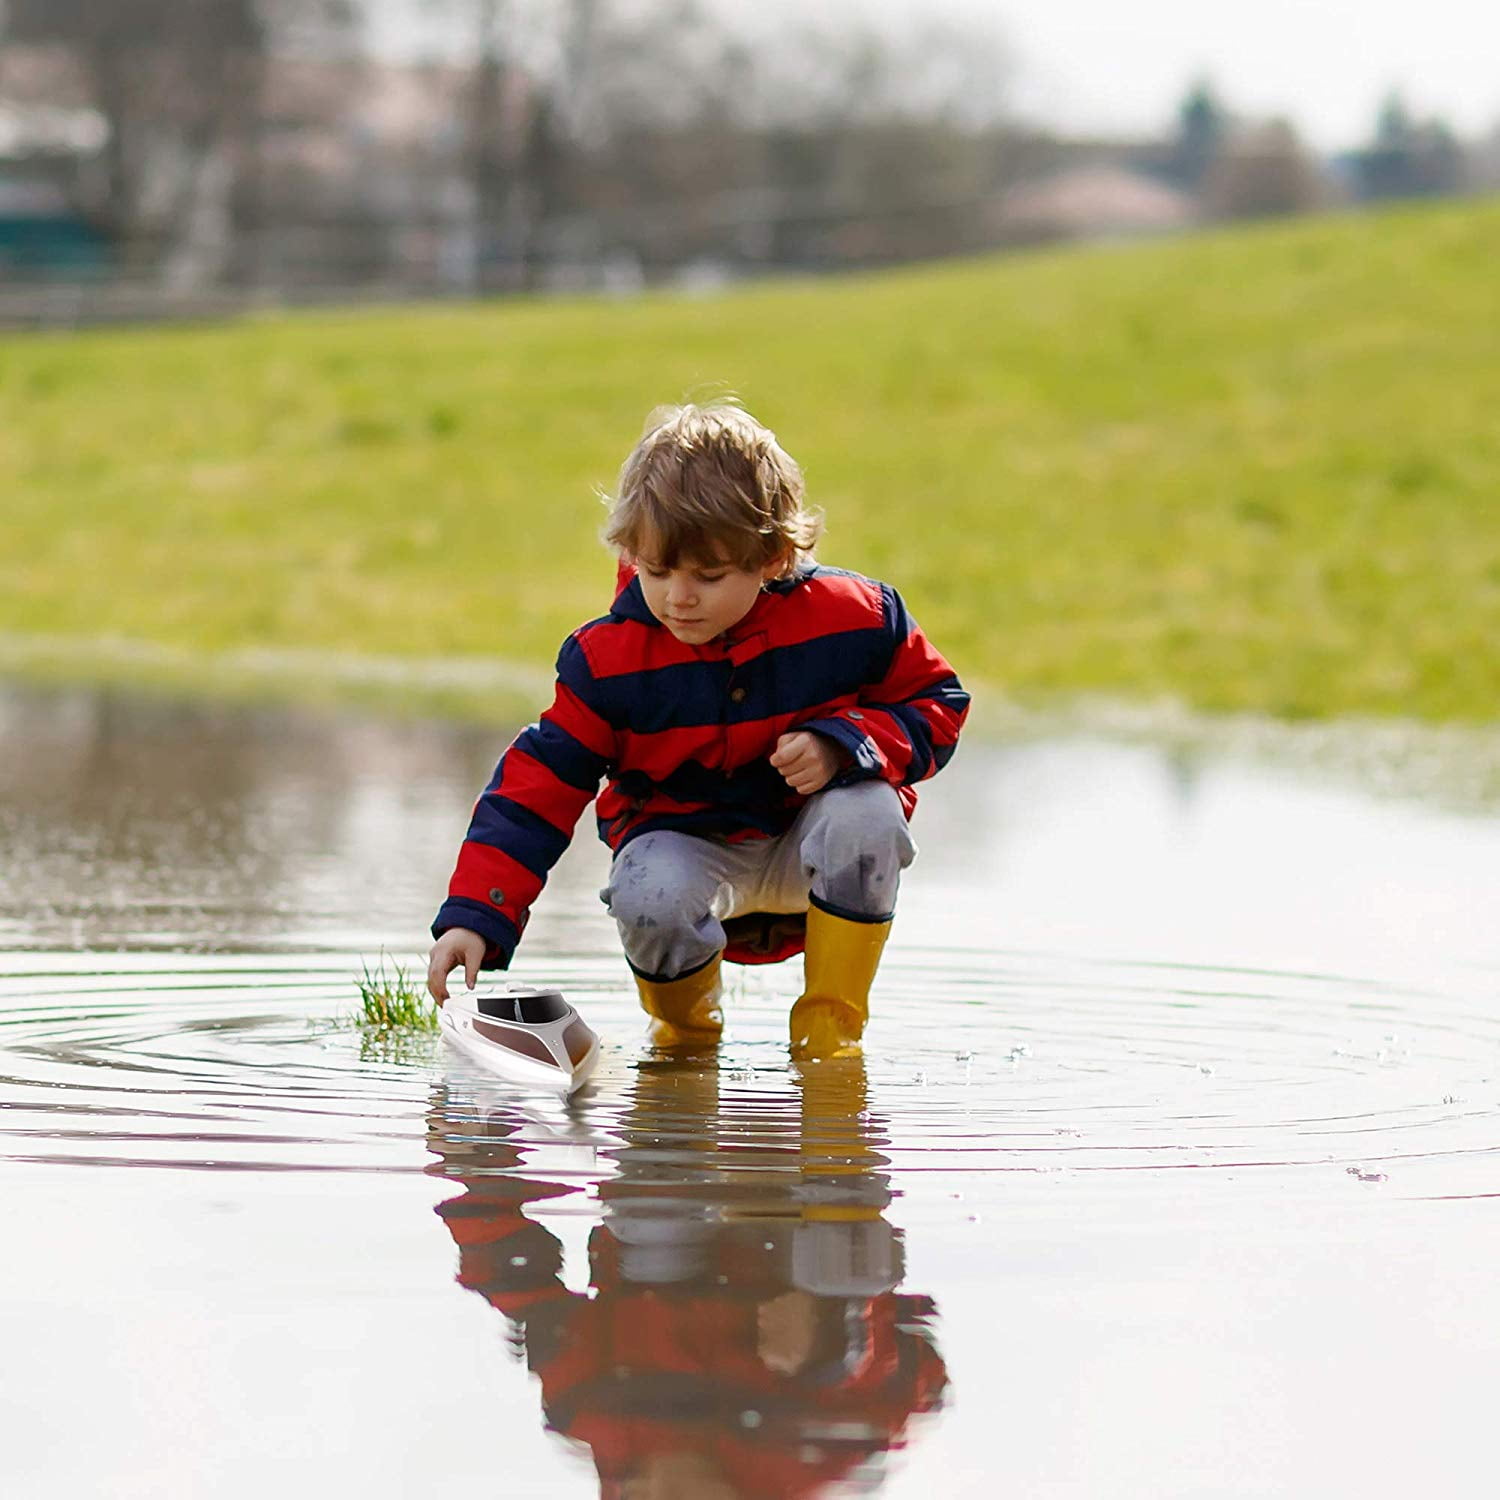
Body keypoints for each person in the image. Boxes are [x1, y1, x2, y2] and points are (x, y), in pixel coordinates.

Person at [427, 400, 968, 1059]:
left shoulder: (856, 618)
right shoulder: (608, 662)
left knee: (870, 811)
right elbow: (539, 786)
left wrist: (843, 742)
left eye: (708, 577)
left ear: (770, 556)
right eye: (657, 573)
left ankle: (831, 1040)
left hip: (814, 848)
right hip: (684, 859)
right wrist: (476, 915)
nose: (679, 598)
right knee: (645, 887)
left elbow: (940, 701)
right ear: (633, 553)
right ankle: (683, 1046)